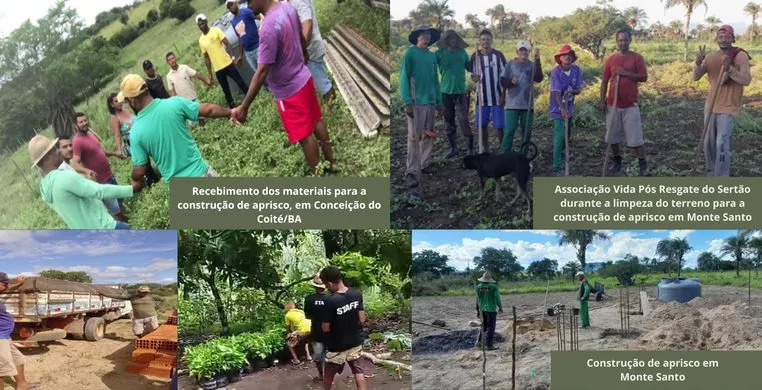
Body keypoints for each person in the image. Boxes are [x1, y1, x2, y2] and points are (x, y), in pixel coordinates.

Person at [230, 0, 337, 176]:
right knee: (316, 120)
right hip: (304, 77)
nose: (247, 6)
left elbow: (262, 70)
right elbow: (301, 37)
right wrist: (304, 53)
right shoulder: (288, 8)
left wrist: (244, 106)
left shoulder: (267, 28)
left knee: (304, 135)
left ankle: (320, 178)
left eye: (249, 1)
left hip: (289, 92)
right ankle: (331, 161)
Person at [116, 74, 234, 192]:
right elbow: (208, 109)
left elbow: (140, 169)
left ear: (132, 100)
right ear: (146, 88)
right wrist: (230, 113)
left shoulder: (136, 132)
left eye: (126, 100)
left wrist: (134, 178)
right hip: (202, 173)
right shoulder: (174, 103)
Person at [29, 135, 135, 229]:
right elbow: (99, 191)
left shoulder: (44, 187)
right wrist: (132, 189)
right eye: (54, 149)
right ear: (47, 157)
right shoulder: (62, 177)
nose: (59, 151)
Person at [693, 25, 752, 177]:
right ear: (716, 39)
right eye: (720, 37)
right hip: (711, 105)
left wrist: (730, 69)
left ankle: (721, 176)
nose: (724, 40)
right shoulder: (712, 57)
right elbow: (696, 77)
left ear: (733, 38)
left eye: (727, 37)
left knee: (721, 143)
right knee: (708, 142)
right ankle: (711, 171)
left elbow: (746, 80)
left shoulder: (740, 56)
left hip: (728, 106)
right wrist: (698, 63)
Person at [600, 29, 651, 176]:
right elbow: (604, 81)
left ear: (630, 41)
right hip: (613, 104)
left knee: (635, 138)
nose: (623, 42)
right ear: (617, 41)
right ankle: (617, 161)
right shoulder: (610, 59)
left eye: (625, 40)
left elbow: (644, 77)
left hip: (630, 104)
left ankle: (642, 164)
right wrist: (601, 101)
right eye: (620, 40)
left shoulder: (637, 58)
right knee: (612, 137)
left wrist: (626, 73)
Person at [399, 24, 441, 201]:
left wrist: (439, 102)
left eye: (428, 35)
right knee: (414, 138)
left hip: (430, 101)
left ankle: (424, 164)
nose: (426, 37)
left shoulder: (431, 56)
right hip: (416, 102)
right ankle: (412, 177)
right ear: (417, 37)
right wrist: (407, 102)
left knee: (429, 135)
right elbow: (403, 77)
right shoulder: (410, 54)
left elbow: (435, 79)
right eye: (423, 35)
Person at [71, 112, 129, 222]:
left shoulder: (90, 134)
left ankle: (128, 224)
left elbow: (99, 151)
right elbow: (74, 163)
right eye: (81, 122)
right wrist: (86, 170)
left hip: (109, 175)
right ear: (75, 125)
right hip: (101, 182)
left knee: (120, 203)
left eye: (85, 120)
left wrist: (114, 154)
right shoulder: (77, 141)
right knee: (115, 211)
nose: (84, 123)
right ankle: (125, 229)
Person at [319, 265, 366, 390]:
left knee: (329, 374)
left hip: (337, 345)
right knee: (358, 370)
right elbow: (362, 319)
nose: (327, 288)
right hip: (355, 341)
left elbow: (325, 328)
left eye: (326, 285)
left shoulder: (329, 301)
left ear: (329, 283)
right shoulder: (356, 293)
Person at [196, 13, 250, 108]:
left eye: (202, 23)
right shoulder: (201, 40)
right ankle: (232, 108)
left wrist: (232, 57)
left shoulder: (215, 30)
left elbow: (228, 44)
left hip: (228, 64)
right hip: (218, 70)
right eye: (199, 25)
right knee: (226, 90)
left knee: (240, 81)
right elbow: (206, 58)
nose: (201, 26)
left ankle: (250, 98)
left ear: (206, 22)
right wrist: (210, 74)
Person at [107, 93, 160, 187]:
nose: (119, 102)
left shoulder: (126, 110)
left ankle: (157, 175)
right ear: (112, 105)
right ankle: (151, 182)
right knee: (144, 163)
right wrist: (119, 149)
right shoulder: (115, 117)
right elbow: (117, 134)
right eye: (116, 101)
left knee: (154, 154)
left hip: (143, 136)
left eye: (119, 100)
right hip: (132, 142)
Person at [501, 40, 543, 155]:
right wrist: (511, 82)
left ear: (529, 51)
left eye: (526, 50)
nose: (523, 52)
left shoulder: (532, 65)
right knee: (509, 131)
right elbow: (503, 81)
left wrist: (538, 61)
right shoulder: (510, 64)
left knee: (526, 133)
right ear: (517, 51)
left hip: (527, 105)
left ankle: (523, 156)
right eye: (521, 50)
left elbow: (538, 78)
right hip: (512, 105)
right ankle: (504, 156)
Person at [468, 29, 506, 153]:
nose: (485, 42)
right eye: (483, 39)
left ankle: (503, 149)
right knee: (482, 126)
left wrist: (503, 95)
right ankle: (485, 149)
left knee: (499, 126)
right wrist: (475, 78)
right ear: (480, 41)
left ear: (491, 40)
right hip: (482, 98)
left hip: (497, 97)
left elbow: (504, 76)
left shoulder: (498, 55)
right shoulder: (475, 56)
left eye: (488, 39)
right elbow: (472, 76)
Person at [0, 274, 39, 390]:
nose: (7, 286)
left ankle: (22, 384)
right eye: (4, 283)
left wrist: (19, 283)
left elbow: (9, 288)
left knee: (18, 358)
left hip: (5, 336)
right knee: (2, 367)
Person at [549, 44, 584, 176]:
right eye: (564, 55)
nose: (567, 57)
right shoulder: (556, 72)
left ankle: (564, 153)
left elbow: (579, 88)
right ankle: (556, 164)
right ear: (560, 58)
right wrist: (562, 109)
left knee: (567, 132)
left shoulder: (576, 70)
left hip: (569, 106)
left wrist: (573, 91)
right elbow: (557, 92)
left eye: (569, 55)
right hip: (557, 107)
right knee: (559, 134)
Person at [436, 30, 472, 157]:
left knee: (464, 120)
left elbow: (470, 67)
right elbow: (430, 66)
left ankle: (470, 148)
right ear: (446, 41)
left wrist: (477, 61)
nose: (452, 41)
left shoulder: (462, 53)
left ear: (457, 41)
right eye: (450, 39)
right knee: (448, 120)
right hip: (445, 92)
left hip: (461, 92)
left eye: (455, 39)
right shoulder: (439, 54)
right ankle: (453, 148)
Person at [288, 0, 334, 99]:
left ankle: (334, 107)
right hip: (308, 48)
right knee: (321, 80)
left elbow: (307, 22)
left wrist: (302, 50)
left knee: (323, 85)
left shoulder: (297, 1)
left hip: (310, 50)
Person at [227, 0, 269, 91]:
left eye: (232, 4)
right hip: (248, 52)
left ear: (236, 3)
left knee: (265, 70)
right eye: (229, 7)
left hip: (257, 47)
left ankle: (275, 88)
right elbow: (240, 37)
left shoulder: (245, 11)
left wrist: (264, 31)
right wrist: (241, 55)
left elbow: (259, 17)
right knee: (257, 73)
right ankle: (268, 90)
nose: (231, 7)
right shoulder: (233, 22)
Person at [166, 52, 212, 127]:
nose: (172, 60)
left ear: (175, 58)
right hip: (183, 102)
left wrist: (206, 80)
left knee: (201, 117)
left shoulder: (184, 68)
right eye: (169, 59)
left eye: (173, 58)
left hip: (193, 97)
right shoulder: (169, 76)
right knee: (192, 124)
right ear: (168, 62)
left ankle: (205, 129)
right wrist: (175, 104)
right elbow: (172, 91)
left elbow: (196, 74)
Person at [304, 274, 328, 382]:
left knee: (318, 357)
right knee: (330, 355)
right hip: (330, 332)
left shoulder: (309, 299)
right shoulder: (331, 298)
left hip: (316, 331)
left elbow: (307, 316)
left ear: (314, 287)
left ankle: (321, 375)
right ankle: (329, 375)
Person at [475, 271, 502, 351]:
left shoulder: (479, 286)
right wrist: (500, 307)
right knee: (491, 327)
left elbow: (477, 299)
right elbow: (497, 298)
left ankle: (479, 341)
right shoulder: (493, 286)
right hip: (491, 309)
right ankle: (489, 345)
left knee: (484, 326)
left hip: (482, 309)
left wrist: (477, 310)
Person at [284, 300, 312, 365]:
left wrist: (289, 334)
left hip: (302, 330)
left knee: (289, 343)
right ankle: (308, 356)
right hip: (311, 327)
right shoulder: (301, 311)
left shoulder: (287, 315)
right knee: (305, 340)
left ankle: (296, 360)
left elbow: (288, 328)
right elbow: (301, 322)